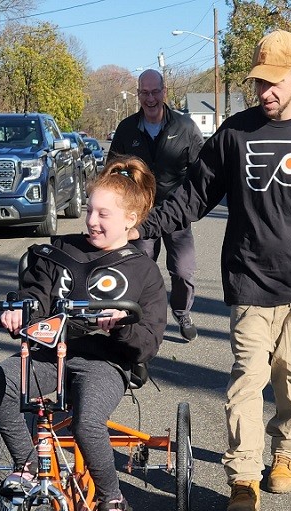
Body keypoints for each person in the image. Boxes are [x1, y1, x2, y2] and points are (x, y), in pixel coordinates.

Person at [135, 30, 291, 511]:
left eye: (276, 83)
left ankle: (286, 453)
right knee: (245, 385)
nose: (266, 93)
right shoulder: (235, 133)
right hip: (249, 282)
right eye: (259, 84)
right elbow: (193, 195)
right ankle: (243, 479)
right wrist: (140, 225)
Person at [0, 156, 167, 511]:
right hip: (51, 356)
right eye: (89, 211)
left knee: (87, 423)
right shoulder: (59, 253)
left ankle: (113, 500)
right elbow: (35, 293)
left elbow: (149, 338)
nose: (92, 221)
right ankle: (29, 464)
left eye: (104, 214)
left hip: (105, 362)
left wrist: (121, 323)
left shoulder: (144, 272)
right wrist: (20, 308)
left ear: (130, 219)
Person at [109, 69, 204, 342]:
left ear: (164, 92)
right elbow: (113, 170)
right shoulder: (127, 129)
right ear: (138, 94)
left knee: (183, 270)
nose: (150, 98)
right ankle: (144, 319)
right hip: (139, 214)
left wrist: (190, 202)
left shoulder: (184, 127)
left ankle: (182, 312)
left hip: (176, 212)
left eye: (155, 92)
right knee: (140, 266)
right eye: (144, 93)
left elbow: (201, 172)